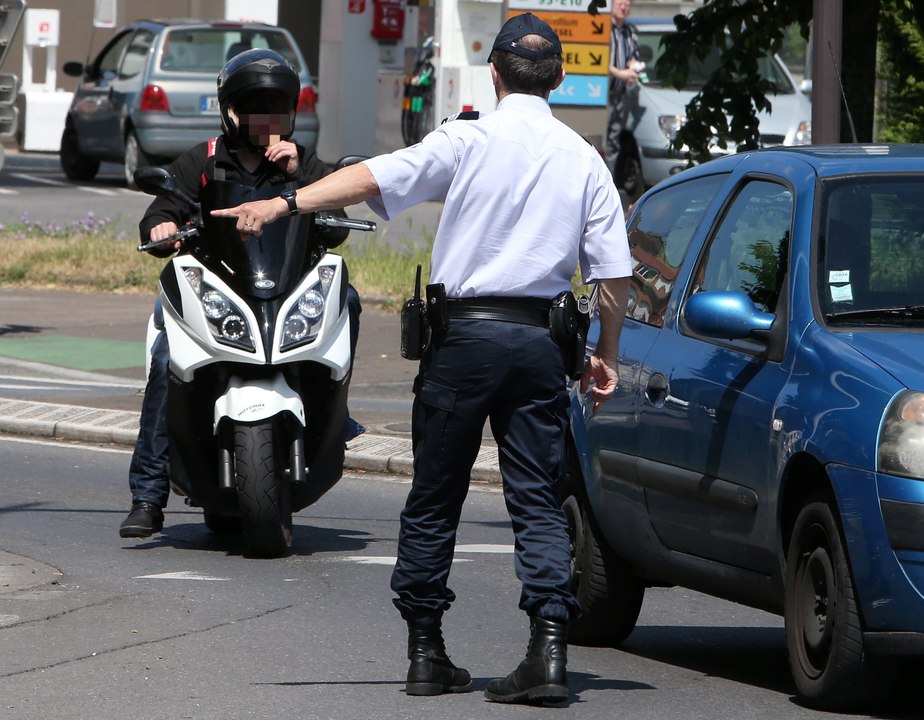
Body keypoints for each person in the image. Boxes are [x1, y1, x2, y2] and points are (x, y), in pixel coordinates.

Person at [211, 13, 631, 705]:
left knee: (436, 494)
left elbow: (369, 178)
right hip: (538, 344)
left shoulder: (465, 139)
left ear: (492, 74)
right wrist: (604, 354)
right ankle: (549, 651)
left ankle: (426, 652)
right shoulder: (582, 158)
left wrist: (284, 203)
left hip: (463, 340)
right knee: (537, 499)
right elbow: (612, 275)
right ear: (557, 78)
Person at [119, 48, 364, 539]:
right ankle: (148, 495)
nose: (266, 122)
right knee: (167, 358)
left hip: (284, 291)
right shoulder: (206, 161)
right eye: (255, 110)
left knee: (349, 299)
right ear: (232, 112)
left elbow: (337, 210)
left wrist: (303, 173)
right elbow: (161, 208)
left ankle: (335, 413)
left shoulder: (299, 161)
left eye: (275, 110)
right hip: (219, 290)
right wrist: (165, 223)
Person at [606, 0, 641, 188]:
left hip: (619, 94)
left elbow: (632, 57)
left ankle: (608, 184)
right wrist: (621, 74)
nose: (623, 7)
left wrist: (634, 68)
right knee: (600, 141)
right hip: (600, 95)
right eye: (620, 3)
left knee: (614, 143)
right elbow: (599, 61)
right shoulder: (602, 28)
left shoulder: (628, 32)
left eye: (627, 4)